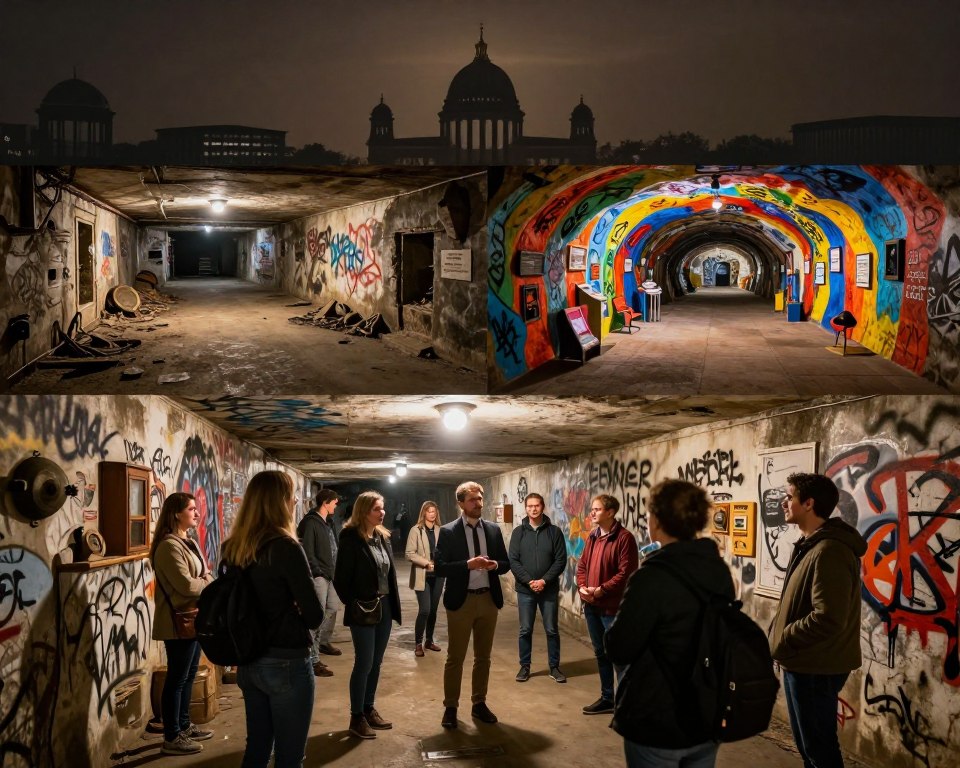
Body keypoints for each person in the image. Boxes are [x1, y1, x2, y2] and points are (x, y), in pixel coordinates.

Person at [606, 479, 736, 768]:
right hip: (705, 712)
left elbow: (620, 647)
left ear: (657, 520)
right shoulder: (718, 570)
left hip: (658, 717)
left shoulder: (651, 576)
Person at [221, 470, 324, 768]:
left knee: (257, 749)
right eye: (291, 496)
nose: (295, 501)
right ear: (279, 502)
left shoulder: (232, 547)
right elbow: (314, 616)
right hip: (286, 660)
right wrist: (294, 603)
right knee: (289, 756)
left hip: (249, 660)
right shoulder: (287, 547)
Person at [769, 473, 867, 768]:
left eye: (789, 496)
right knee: (809, 747)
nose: (783, 502)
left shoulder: (829, 551)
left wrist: (786, 637)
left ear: (809, 503)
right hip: (804, 661)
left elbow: (828, 617)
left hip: (814, 666)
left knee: (819, 749)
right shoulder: (812, 544)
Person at [434, 481, 510, 729]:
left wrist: (493, 565)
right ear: (461, 503)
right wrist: (468, 565)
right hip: (461, 601)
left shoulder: (493, 530)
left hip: (488, 599)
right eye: (472, 500)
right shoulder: (448, 532)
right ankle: (451, 707)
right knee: (455, 657)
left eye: (479, 499)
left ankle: (479, 703)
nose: (478, 504)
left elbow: (505, 563)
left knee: (483, 657)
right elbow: (440, 568)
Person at [334, 491, 402, 740]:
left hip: (385, 606)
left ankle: (368, 708)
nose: (382, 513)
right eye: (376, 509)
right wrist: (355, 603)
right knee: (364, 662)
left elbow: (388, 575)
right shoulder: (350, 537)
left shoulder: (382, 537)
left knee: (376, 662)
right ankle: (356, 717)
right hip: (363, 608)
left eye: (382, 508)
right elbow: (341, 579)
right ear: (363, 511)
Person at [150, 492, 214, 756]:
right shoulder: (168, 547)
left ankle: (185, 725)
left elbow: (206, 572)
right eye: (191, 509)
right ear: (176, 513)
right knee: (176, 678)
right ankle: (172, 736)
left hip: (193, 616)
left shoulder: (189, 541)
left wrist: (205, 580)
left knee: (188, 675)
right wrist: (207, 583)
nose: (196, 513)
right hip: (177, 621)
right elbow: (186, 585)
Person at [575, 493, 639, 715]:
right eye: (592, 509)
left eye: (597, 509)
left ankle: (626, 704)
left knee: (619, 657)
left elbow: (626, 573)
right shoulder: (593, 536)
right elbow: (582, 566)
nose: (592, 512)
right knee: (601, 654)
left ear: (610, 512)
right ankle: (607, 698)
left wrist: (601, 590)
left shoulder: (624, 538)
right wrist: (583, 588)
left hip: (612, 608)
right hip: (592, 606)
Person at [508, 492, 568, 683]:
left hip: (548, 590)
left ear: (542, 507)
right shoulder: (518, 533)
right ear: (525, 508)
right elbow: (513, 561)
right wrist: (529, 581)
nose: (533, 509)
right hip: (525, 591)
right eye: (530, 506)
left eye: (537, 505)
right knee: (525, 630)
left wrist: (544, 581)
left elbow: (560, 560)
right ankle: (525, 667)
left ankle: (554, 667)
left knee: (551, 630)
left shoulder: (554, 532)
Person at [297, 488, 342, 677]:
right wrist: (317, 572)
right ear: (325, 502)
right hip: (319, 575)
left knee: (331, 608)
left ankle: (319, 645)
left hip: (329, 574)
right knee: (316, 616)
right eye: (334, 503)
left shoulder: (327, 522)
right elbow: (307, 550)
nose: (336, 507)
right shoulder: (310, 523)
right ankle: (312, 660)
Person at [405, 500, 446, 657]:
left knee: (433, 610)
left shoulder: (440, 530)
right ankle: (418, 643)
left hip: (438, 576)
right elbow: (409, 553)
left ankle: (429, 640)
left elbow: (445, 551)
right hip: (422, 575)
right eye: (429, 511)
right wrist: (426, 563)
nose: (432, 514)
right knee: (425, 610)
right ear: (424, 513)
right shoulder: (416, 530)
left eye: (434, 511)